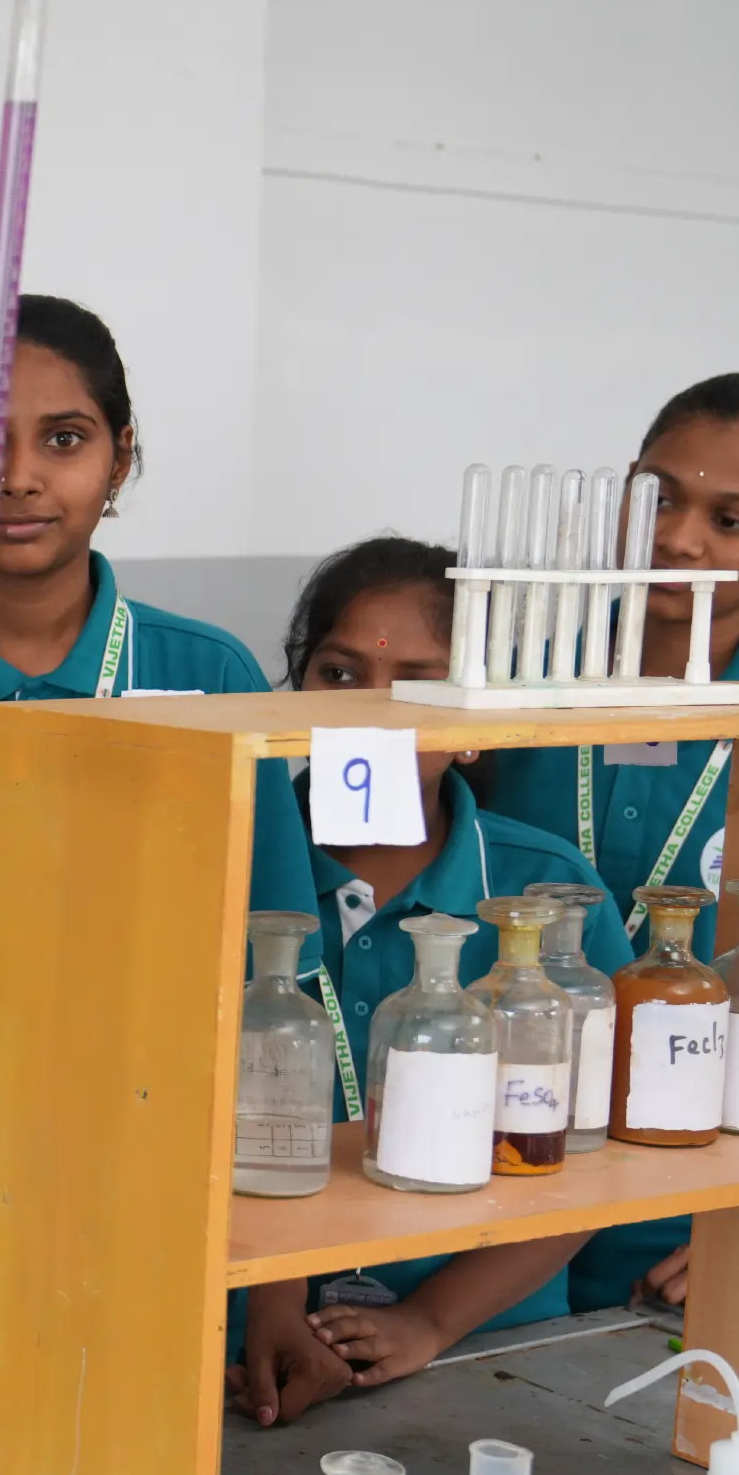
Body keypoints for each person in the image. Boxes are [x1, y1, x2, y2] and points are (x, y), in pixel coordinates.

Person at [0, 295, 320, 1348]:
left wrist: (275, 1294)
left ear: (120, 459)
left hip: (155, 1225)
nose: (18, 476)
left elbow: (280, 980)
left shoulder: (207, 678)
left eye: (64, 440)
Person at [229, 538, 633, 1424]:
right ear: (291, 690)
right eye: (339, 673)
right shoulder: (222, 864)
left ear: (478, 722)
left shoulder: (547, 897)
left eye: (421, 682)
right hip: (233, 1338)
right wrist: (268, 1297)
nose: (374, 709)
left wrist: (429, 1321)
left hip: (487, 1345)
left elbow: (593, 1168)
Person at [483, 373, 739, 1315]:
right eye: (657, 496)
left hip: (694, 1195)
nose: (678, 539)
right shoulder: (506, 665)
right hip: (485, 1160)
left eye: (733, 521)